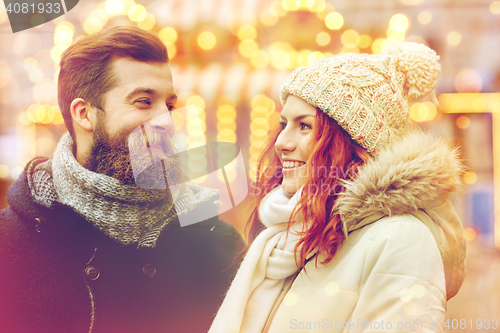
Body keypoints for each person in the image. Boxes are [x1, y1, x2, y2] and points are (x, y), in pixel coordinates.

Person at [0, 26, 244, 333]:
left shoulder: (217, 245)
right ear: (84, 114)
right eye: (144, 101)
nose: (166, 121)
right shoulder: (8, 245)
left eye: (168, 106)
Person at [209, 42, 466, 333]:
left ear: (351, 141)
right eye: (284, 124)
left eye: (304, 126)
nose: (282, 142)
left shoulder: (401, 239)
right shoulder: (290, 235)